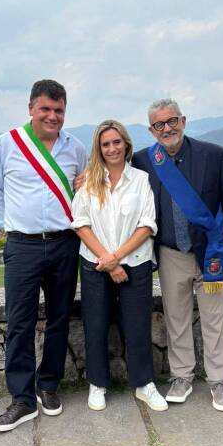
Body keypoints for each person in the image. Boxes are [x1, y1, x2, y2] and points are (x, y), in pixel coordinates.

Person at [0, 79, 88, 432]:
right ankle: (22, 399)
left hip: (64, 243)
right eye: (45, 109)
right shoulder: (6, 144)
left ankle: (49, 385)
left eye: (59, 110)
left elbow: (84, 190)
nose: (52, 116)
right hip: (23, 246)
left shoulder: (76, 149)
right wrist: (11, 225)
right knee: (20, 322)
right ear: (31, 108)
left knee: (59, 318)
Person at [132, 100, 223, 411]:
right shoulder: (143, 160)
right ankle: (181, 376)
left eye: (172, 121)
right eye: (159, 124)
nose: (167, 128)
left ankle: (218, 381)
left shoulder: (214, 155)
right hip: (170, 254)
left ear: (184, 120)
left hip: (211, 253)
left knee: (215, 319)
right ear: (151, 130)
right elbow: (111, 174)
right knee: (176, 319)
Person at [71, 120, 168, 412]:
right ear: (98, 149)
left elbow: (147, 224)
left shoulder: (140, 179)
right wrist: (108, 260)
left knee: (138, 326)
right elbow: (80, 223)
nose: (112, 148)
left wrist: (118, 257)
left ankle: (143, 384)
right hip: (95, 265)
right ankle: (97, 383)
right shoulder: (88, 182)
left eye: (116, 142)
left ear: (126, 144)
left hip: (135, 264)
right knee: (96, 323)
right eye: (105, 144)